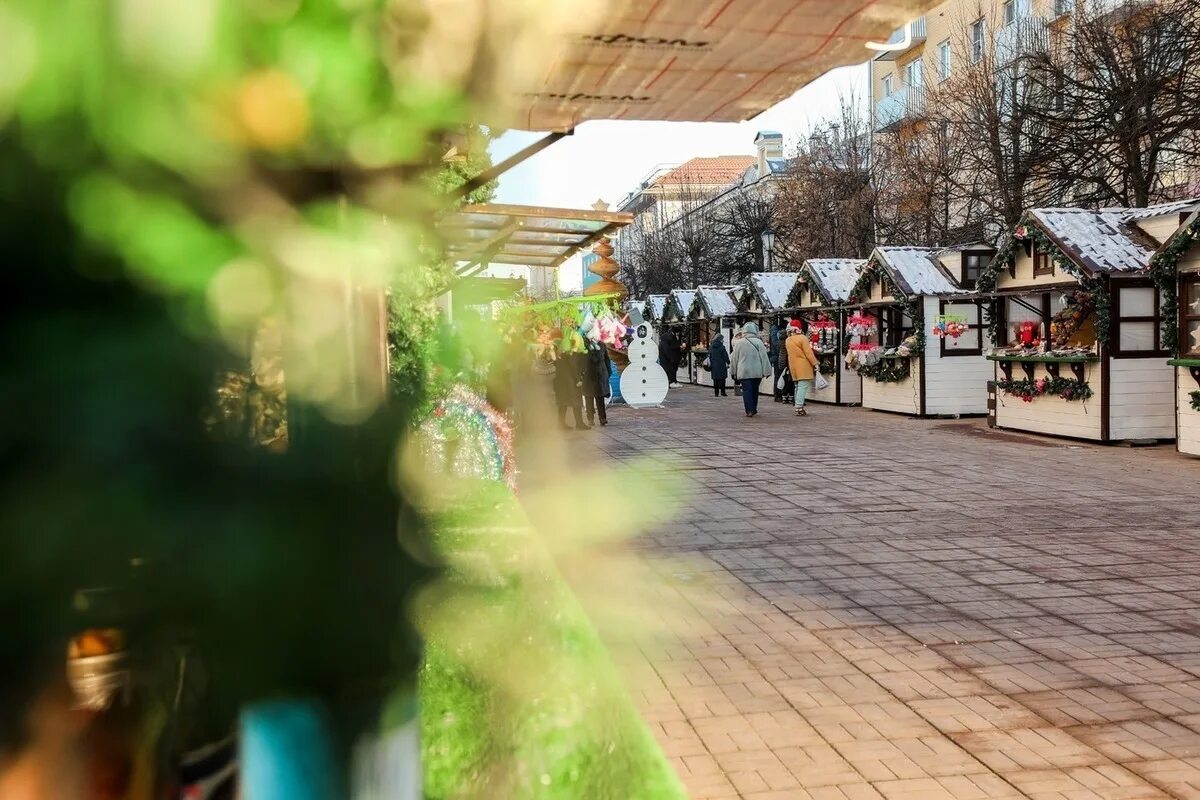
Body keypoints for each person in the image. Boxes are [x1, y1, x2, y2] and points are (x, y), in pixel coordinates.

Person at [730, 322, 772, 417]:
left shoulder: (739, 343)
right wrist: (767, 371)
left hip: (744, 372)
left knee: (747, 391)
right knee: (754, 390)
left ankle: (749, 410)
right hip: (757, 372)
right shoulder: (759, 342)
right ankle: (754, 408)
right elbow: (764, 358)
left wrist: (733, 371)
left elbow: (734, 359)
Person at [785, 320, 821, 417]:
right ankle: (799, 406)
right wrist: (815, 363)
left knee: (797, 386)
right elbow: (808, 353)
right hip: (803, 365)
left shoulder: (788, 340)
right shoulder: (802, 338)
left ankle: (797, 405)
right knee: (803, 386)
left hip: (793, 366)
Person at [553, 350, 588, 429]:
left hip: (560, 379)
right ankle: (579, 423)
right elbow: (574, 364)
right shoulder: (570, 349)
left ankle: (561, 424)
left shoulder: (560, 348)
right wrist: (578, 379)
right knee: (577, 402)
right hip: (571, 381)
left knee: (562, 403)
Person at [582, 339, 612, 426]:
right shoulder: (584, 344)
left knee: (600, 398)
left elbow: (606, 359)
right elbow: (581, 360)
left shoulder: (601, 344)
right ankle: (590, 418)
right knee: (589, 397)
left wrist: (608, 372)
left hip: (600, 374)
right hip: (588, 374)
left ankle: (602, 418)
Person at [775, 323, 794, 404]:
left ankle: (783, 396)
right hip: (788, 361)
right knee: (789, 380)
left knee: (783, 378)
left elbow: (778, 351)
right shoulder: (789, 340)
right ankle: (790, 396)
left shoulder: (779, 341)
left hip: (781, 362)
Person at [707, 333, 730, 397]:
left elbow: (709, 355)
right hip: (721, 365)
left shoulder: (711, 347)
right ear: (720, 339)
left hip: (714, 365)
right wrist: (728, 362)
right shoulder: (722, 347)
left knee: (715, 379)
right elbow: (726, 356)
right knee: (722, 379)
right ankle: (723, 392)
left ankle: (716, 393)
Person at [768, 323, 782, 403]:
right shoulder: (775, 331)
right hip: (777, 357)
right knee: (778, 376)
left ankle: (778, 395)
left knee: (778, 376)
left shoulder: (773, 330)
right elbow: (776, 344)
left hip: (776, 357)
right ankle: (777, 395)